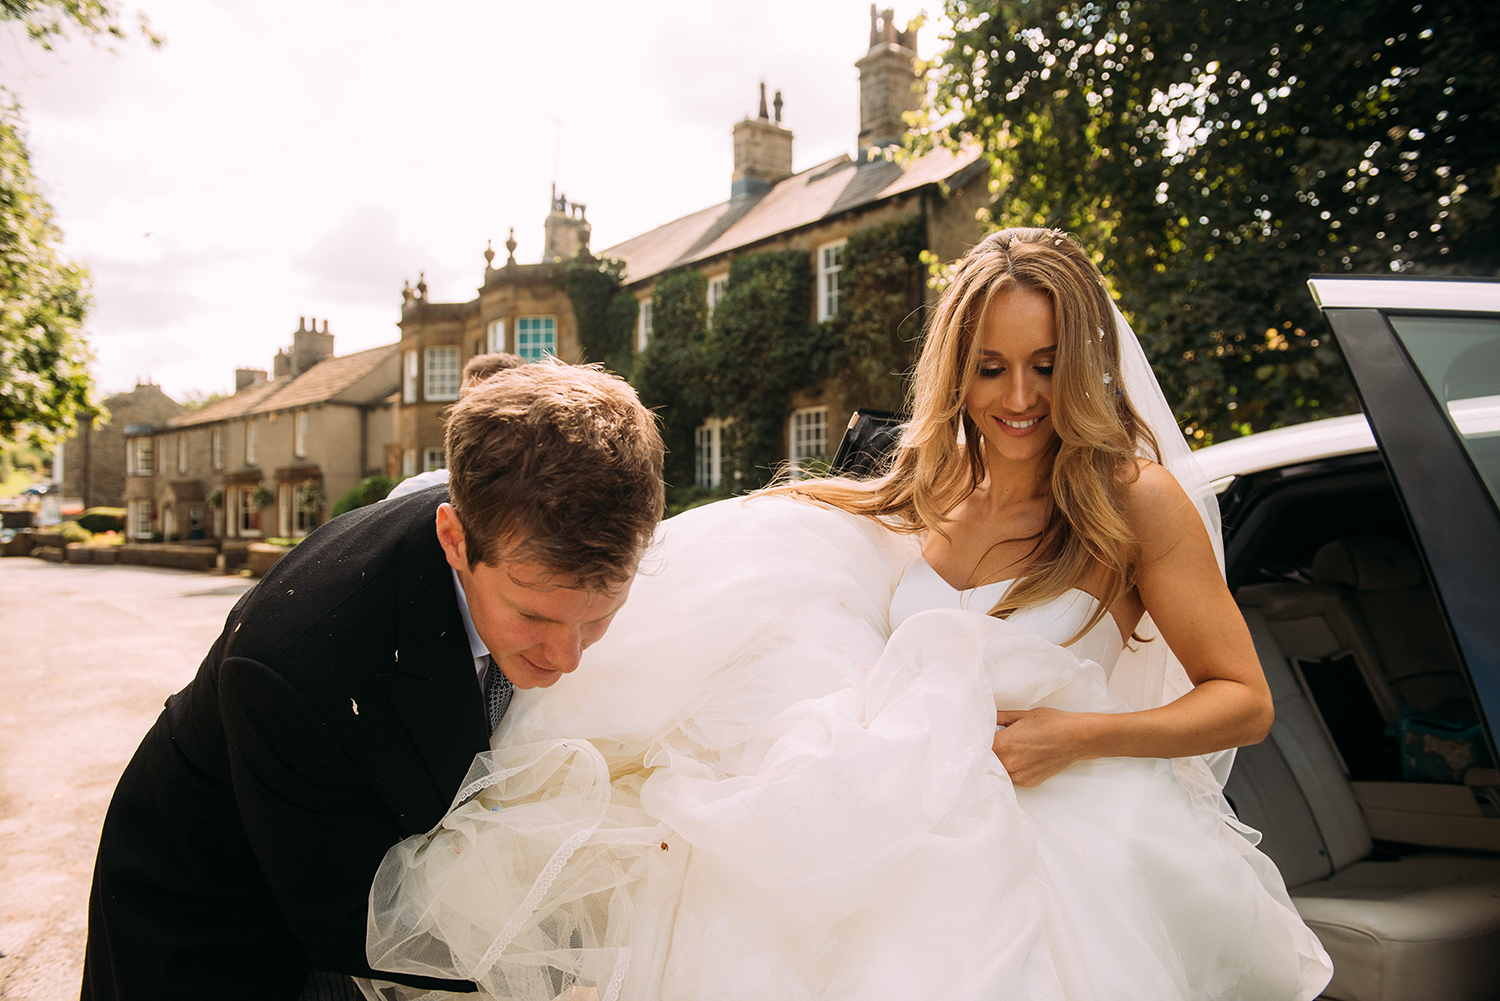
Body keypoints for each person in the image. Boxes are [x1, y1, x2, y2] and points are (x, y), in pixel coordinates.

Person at [360, 230, 1335, 1000]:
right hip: (891, 832)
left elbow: (1242, 701)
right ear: (957, 368)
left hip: (1059, 849)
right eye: (991, 366)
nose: (1021, 396)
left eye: (1045, 363)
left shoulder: (1134, 498)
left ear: (1084, 359)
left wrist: (1074, 735)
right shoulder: (931, 494)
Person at [80, 362, 664, 1001]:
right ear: (453, 537)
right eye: (532, 615)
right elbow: (353, 919)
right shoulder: (297, 668)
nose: (569, 657)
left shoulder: (534, 527)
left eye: (602, 614)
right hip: (221, 917)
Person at [386, 353, 527, 502]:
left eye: (496, 403)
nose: (478, 416)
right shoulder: (414, 492)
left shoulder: (545, 496)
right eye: (470, 404)